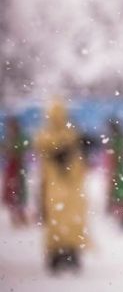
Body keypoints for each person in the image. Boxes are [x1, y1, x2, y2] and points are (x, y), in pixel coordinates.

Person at [35, 100, 88, 272]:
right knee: (58, 221)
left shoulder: (70, 135)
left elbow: (78, 163)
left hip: (67, 187)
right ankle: (58, 253)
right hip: (57, 187)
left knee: (67, 221)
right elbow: (46, 159)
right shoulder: (49, 136)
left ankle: (69, 252)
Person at [2, 116, 30, 227]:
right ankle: (15, 217)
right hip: (11, 168)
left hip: (19, 168)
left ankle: (21, 216)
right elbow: (6, 151)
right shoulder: (9, 138)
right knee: (11, 192)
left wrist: (15, 152)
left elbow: (25, 150)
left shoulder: (21, 138)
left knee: (20, 193)